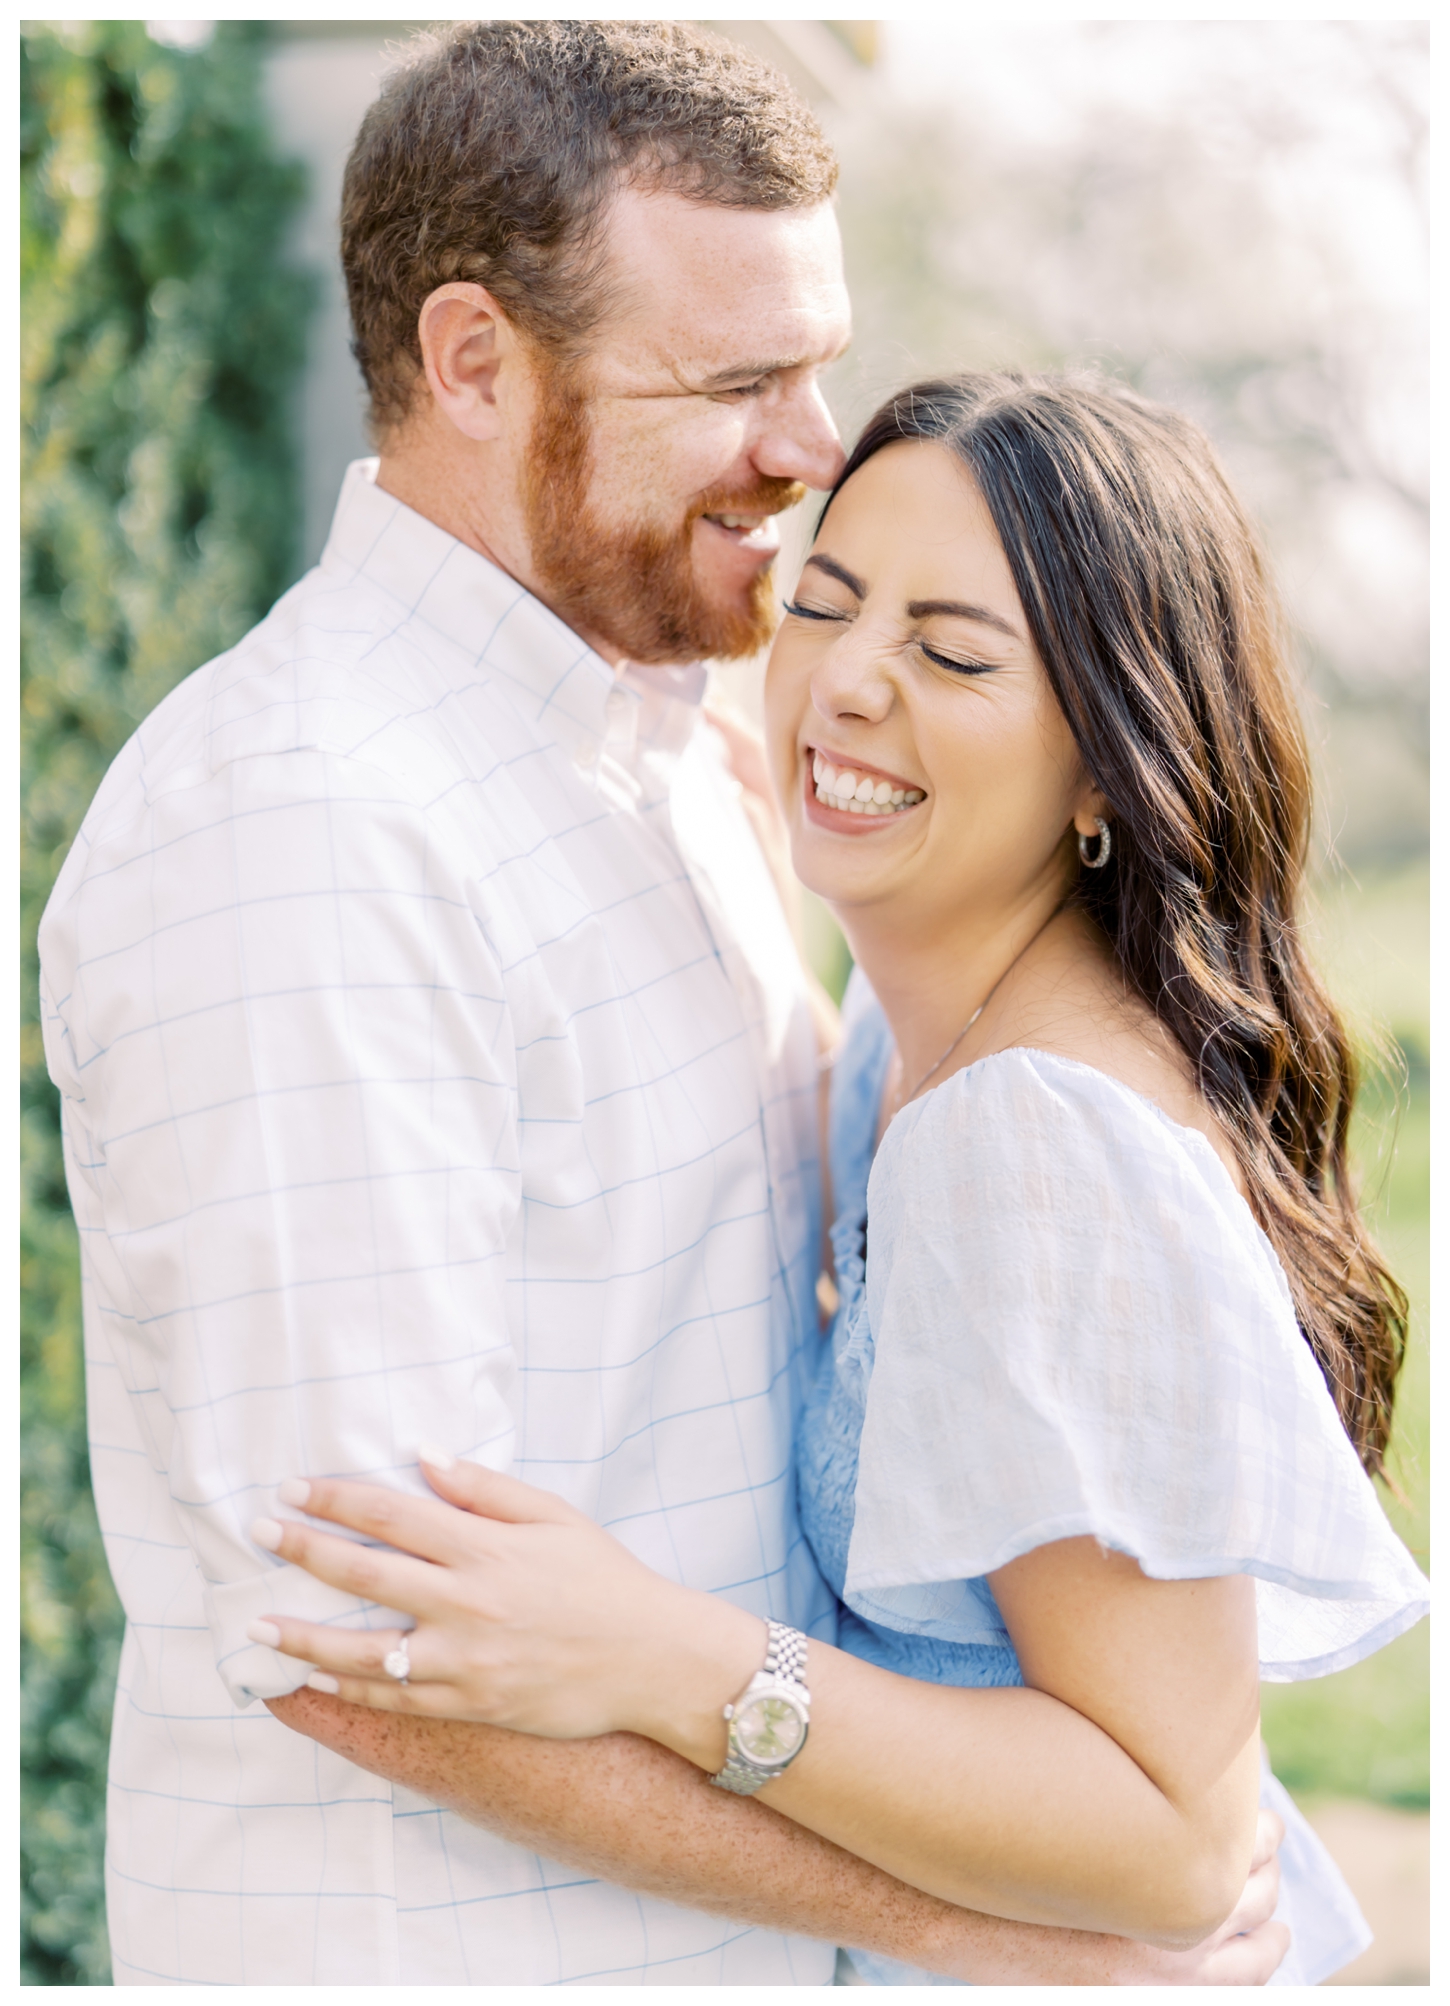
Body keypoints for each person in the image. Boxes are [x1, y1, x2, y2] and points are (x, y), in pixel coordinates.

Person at [36, 24, 1291, 1987]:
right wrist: (998, 1930)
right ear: (470, 362)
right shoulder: (308, 833)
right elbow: (365, 1649)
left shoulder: (675, 770)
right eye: (731, 381)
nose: (810, 442)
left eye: (812, 360)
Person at [247, 374, 1429, 1987]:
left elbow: (1178, 1838)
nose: (851, 685)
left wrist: (663, 1654)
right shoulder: (921, 1011)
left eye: (950, 654)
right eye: (823, 603)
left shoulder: (1033, 1138)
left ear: (1107, 764)